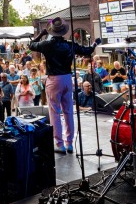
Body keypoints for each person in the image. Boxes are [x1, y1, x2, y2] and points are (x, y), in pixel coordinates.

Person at [29, 17, 100, 154]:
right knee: (68, 111)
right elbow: (87, 51)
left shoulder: (46, 44)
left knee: (55, 112)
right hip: (68, 78)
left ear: (51, 31)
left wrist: (41, 34)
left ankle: (60, 144)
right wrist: (95, 44)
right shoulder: (70, 45)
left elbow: (31, 45)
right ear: (63, 31)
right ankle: (70, 144)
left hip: (54, 80)